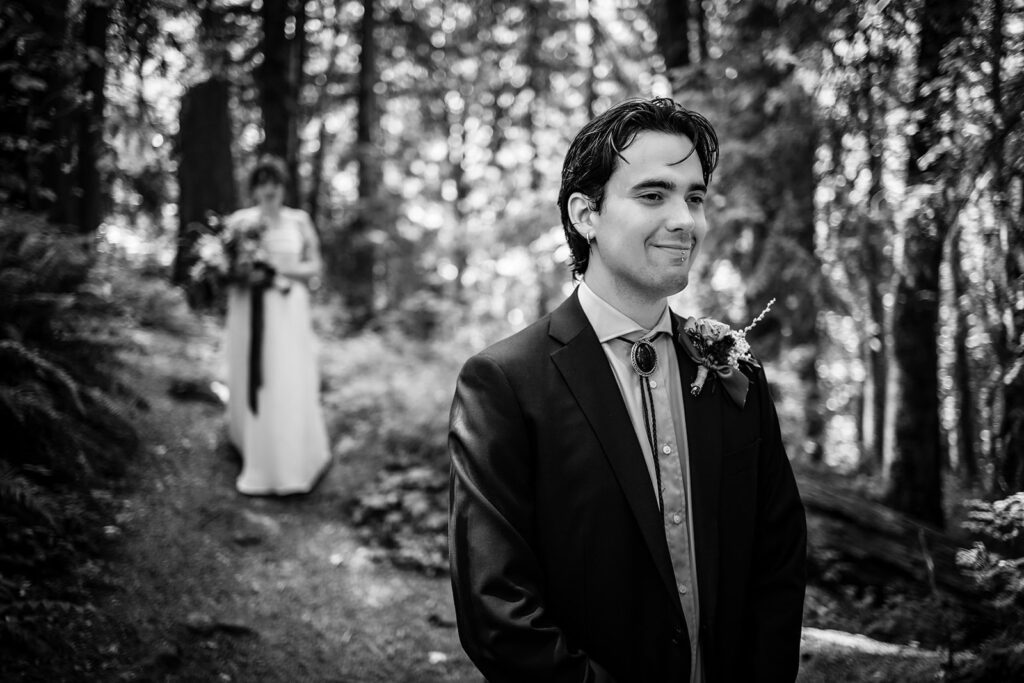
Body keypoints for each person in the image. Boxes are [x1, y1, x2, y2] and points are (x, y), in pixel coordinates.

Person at [448, 98, 807, 682]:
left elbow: (779, 555)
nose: (686, 220)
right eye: (652, 195)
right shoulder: (504, 382)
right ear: (586, 213)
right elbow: (496, 608)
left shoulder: (734, 368)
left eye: (694, 197)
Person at [224, 155, 331, 495]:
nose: (269, 188)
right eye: (262, 181)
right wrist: (247, 272)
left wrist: (278, 270)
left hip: (289, 309)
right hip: (249, 309)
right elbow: (228, 268)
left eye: (275, 181)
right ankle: (251, 447)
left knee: (286, 376)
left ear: (283, 187)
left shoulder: (300, 221)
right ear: (254, 188)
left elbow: (314, 266)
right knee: (256, 374)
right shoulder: (240, 222)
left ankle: (291, 458)